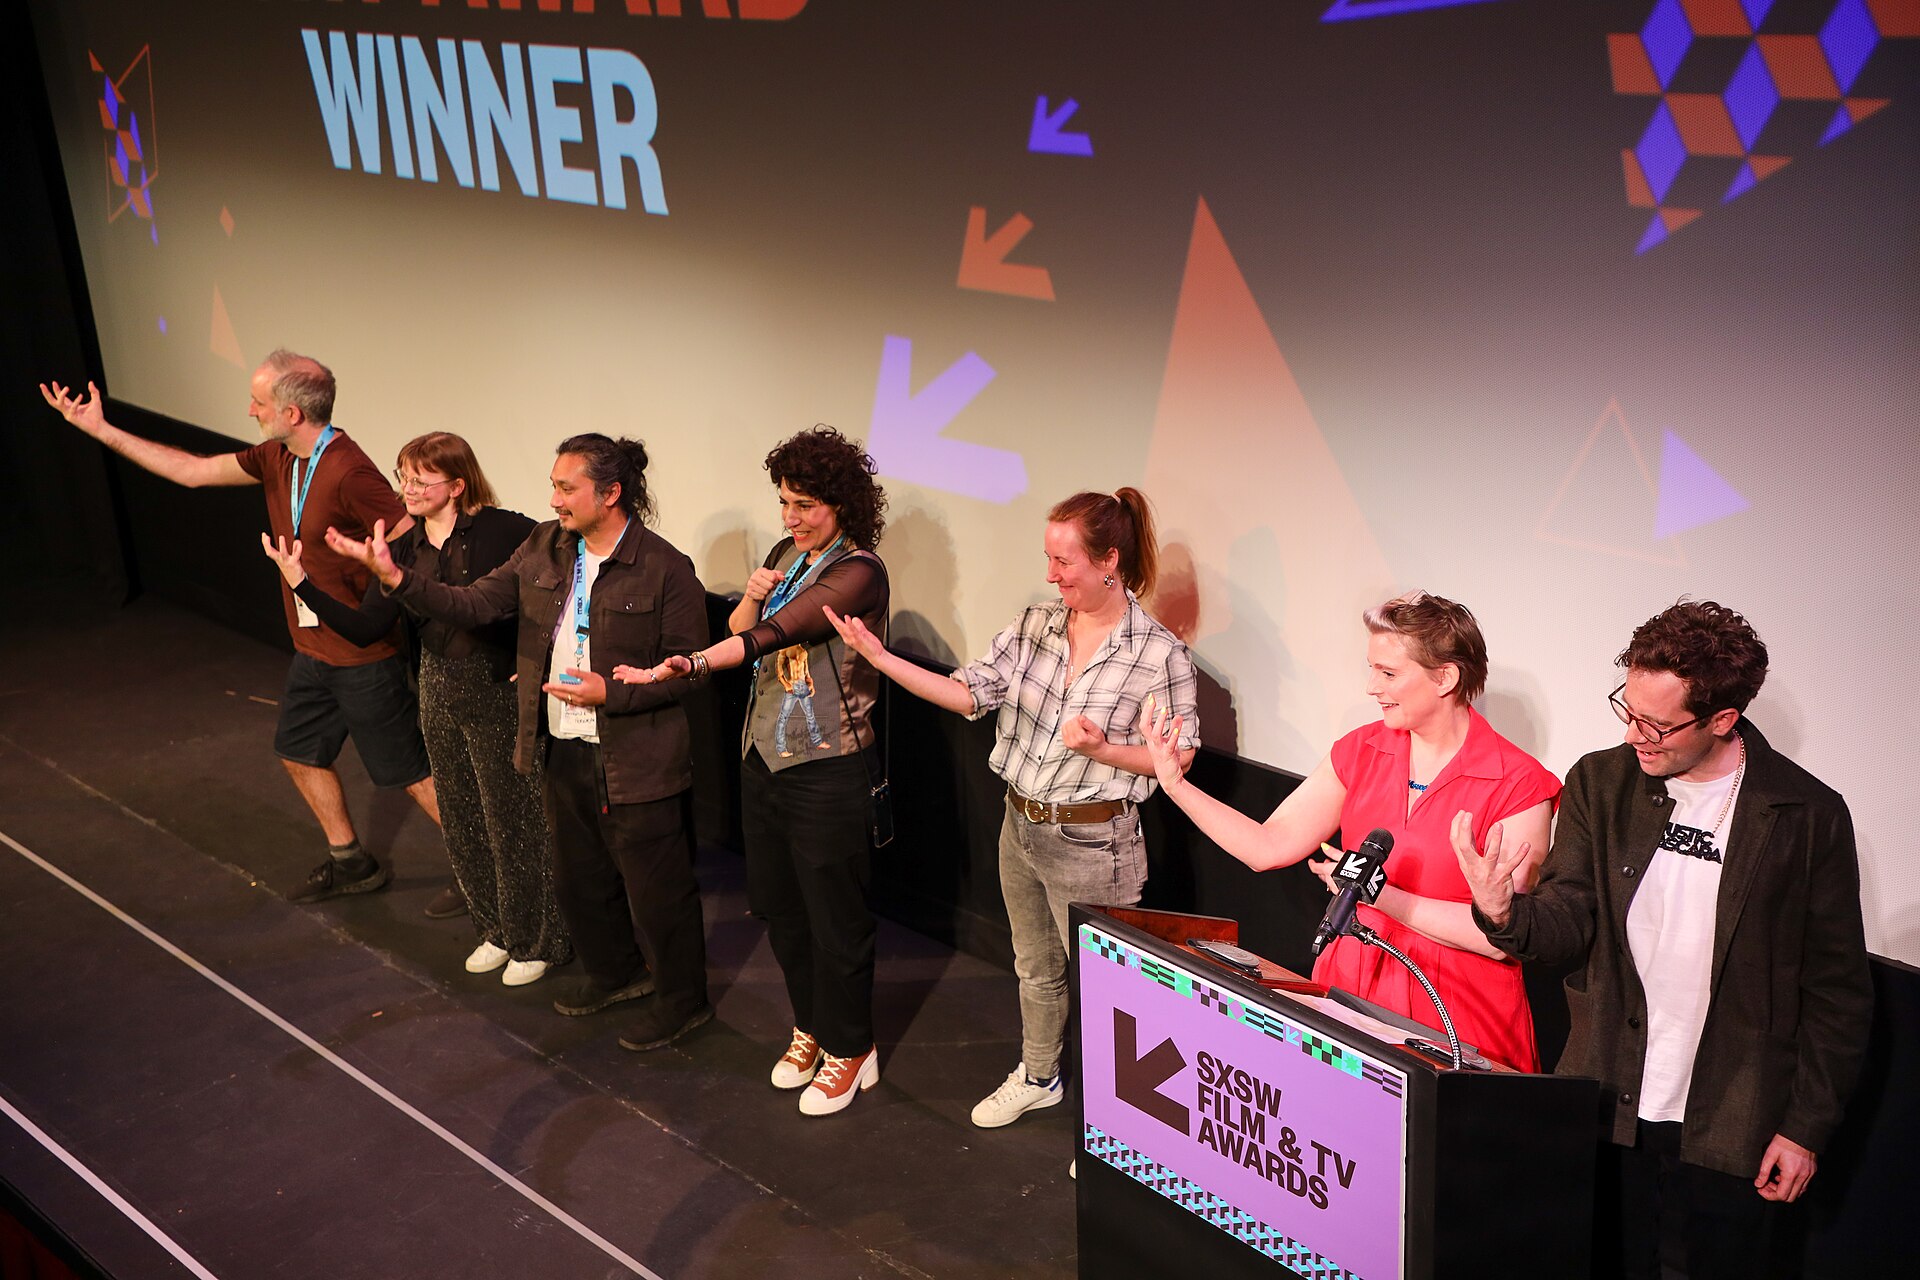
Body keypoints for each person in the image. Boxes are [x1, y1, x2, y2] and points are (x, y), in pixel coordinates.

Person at [1453, 601, 1872, 1279]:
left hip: (1734, 1120)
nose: (1633, 735)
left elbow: (1837, 994)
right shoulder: (1601, 781)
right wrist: (1505, 912)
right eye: (1628, 708)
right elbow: (1570, 916)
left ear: (1722, 720)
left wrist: (1804, 1129)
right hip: (1606, 1101)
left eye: (1656, 723)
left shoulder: (1806, 815)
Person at [326, 434, 715, 1051]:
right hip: (561, 744)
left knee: (657, 892)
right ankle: (616, 975)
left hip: (636, 757)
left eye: (567, 488)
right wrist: (397, 578)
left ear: (610, 494)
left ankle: (682, 1001)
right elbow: (475, 604)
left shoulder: (666, 569)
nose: (554, 499)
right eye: (554, 485)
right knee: (580, 879)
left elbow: (691, 671)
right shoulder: (544, 546)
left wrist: (612, 696)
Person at [828, 488, 1198, 1130]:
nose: (1052, 575)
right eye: (1048, 559)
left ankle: (1115, 1124)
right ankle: (1039, 1075)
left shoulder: (1157, 653)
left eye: (1065, 562)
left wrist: (1106, 749)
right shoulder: (1035, 626)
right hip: (1020, 826)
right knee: (1035, 968)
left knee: (1109, 992)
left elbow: (1179, 760)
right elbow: (968, 693)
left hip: (1095, 846)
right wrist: (881, 658)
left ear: (1109, 560)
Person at [38, 353, 454, 909]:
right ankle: (351, 860)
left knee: (411, 773)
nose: (249, 410)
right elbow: (192, 471)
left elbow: (412, 537)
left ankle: (484, 873)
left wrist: (380, 604)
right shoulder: (278, 455)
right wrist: (101, 429)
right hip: (311, 649)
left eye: (258, 402)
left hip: (361, 656)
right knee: (300, 750)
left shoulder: (349, 470)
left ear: (291, 411)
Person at [1142, 591, 1557, 1072]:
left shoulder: (1519, 783)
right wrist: (1174, 785)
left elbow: (1497, 938)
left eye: (1388, 673)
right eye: (1372, 669)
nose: (1371, 687)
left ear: (1445, 677)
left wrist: (1377, 895)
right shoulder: (1362, 749)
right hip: (1356, 985)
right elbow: (1266, 846)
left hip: (1458, 1012)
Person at [617, 426, 889, 1116]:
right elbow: (747, 618)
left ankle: (853, 1047)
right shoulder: (782, 554)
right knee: (778, 904)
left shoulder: (859, 571)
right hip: (764, 757)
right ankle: (813, 1026)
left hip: (830, 766)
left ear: (843, 506)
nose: (791, 518)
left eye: (805, 505)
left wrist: (696, 661)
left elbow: (782, 630)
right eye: (785, 503)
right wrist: (747, 594)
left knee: (836, 915)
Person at [261, 432, 571, 985]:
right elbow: (366, 626)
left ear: (456, 485)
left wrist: (537, 654)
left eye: (419, 479)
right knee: (459, 814)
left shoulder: (504, 530)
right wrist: (301, 582)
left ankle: (538, 938)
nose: (406, 488)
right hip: (436, 683)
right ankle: (496, 929)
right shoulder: (403, 550)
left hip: (494, 685)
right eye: (402, 476)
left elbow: (557, 584)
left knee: (511, 817)